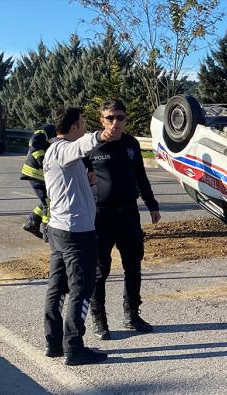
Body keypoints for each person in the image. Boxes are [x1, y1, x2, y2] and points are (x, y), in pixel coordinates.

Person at [43, 107, 116, 365]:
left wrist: (88, 182)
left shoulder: (52, 151)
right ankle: (74, 348)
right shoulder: (64, 149)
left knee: (57, 288)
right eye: (83, 122)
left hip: (59, 230)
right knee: (82, 289)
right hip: (76, 233)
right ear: (74, 126)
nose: (84, 126)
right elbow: (82, 146)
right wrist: (100, 136)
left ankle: (54, 343)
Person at [85, 99, 161, 340]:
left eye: (120, 118)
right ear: (102, 120)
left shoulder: (131, 144)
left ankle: (132, 315)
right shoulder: (90, 146)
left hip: (128, 213)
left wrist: (152, 205)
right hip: (101, 215)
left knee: (133, 266)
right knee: (100, 271)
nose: (115, 122)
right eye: (110, 118)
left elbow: (141, 176)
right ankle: (100, 320)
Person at [20, 124, 56, 241]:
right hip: (36, 173)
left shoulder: (64, 135)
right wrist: (42, 161)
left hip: (42, 175)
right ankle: (47, 232)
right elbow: (33, 142)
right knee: (48, 203)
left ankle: (32, 221)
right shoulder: (47, 130)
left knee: (49, 199)